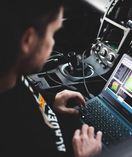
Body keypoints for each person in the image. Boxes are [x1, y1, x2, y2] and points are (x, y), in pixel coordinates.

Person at [0, 1, 102, 157]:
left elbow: (25, 96)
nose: (52, 42)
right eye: (52, 34)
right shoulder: (10, 139)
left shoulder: (12, 76)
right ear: (28, 40)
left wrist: (51, 102)